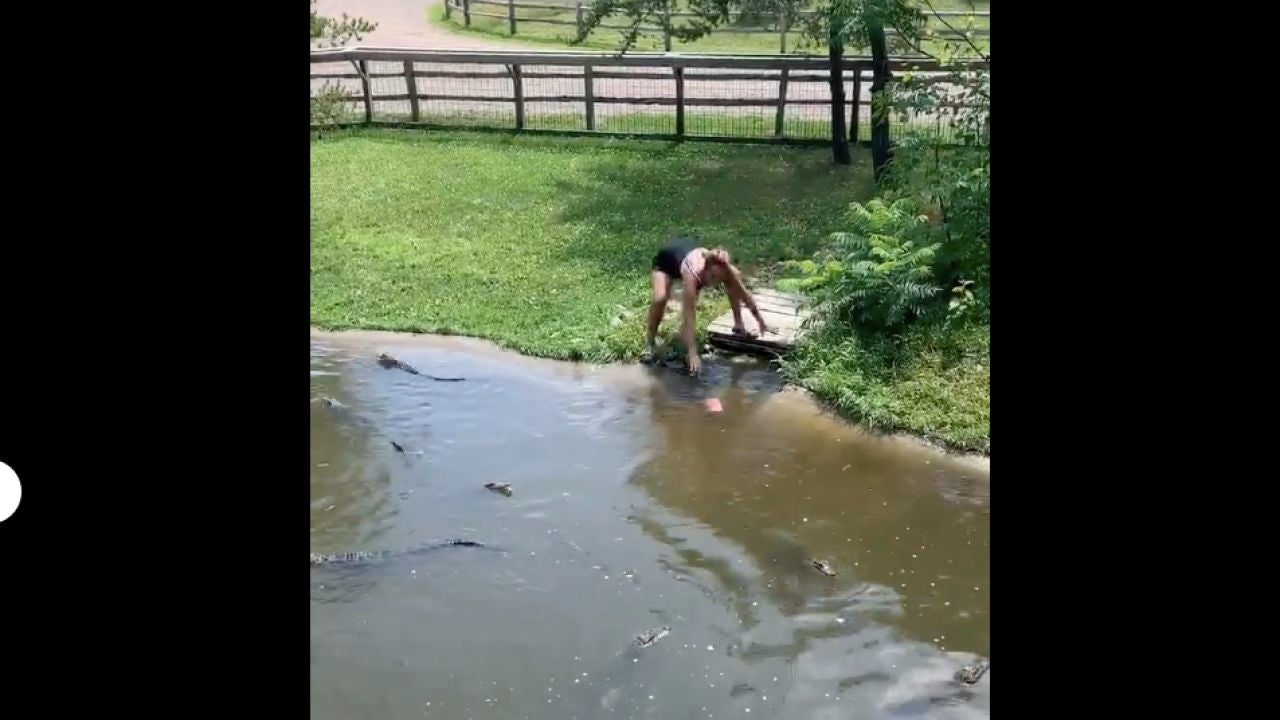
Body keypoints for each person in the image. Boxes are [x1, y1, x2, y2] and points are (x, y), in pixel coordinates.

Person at [644, 234, 770, 374]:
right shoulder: (692, 276)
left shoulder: (725, 269)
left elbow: (745, 296)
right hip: (665, 264)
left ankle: (738, 323)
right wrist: (692, 353)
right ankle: (650, 342)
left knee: (733, 282)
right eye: (713, 277)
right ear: (705, 270)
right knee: (660, 298)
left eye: (720, 277)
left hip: (686, 253)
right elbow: (688, 317)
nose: (716, 281)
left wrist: (761, 321)